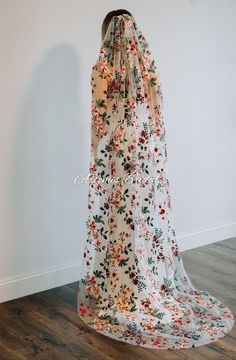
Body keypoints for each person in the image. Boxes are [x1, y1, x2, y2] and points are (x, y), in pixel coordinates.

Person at [77, 9, 234, 349]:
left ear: (107, 34)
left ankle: (124, 287)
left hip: (119, 150)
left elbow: (100, 119)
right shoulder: (148, 66)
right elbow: (158, 113)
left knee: (120, 218)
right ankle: (151, 280)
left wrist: (96, 156)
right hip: (145, 148)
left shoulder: (101, 69)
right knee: (145, 220)